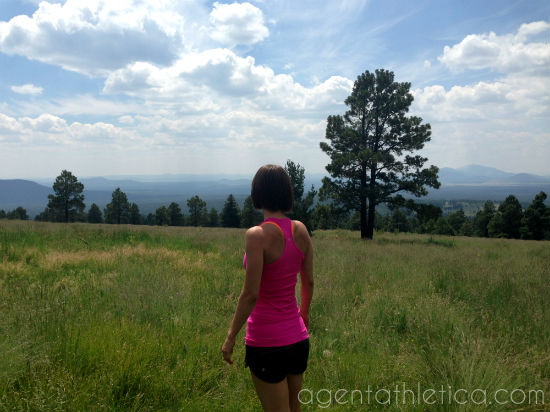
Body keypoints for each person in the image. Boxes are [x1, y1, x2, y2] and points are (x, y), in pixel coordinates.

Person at [222, 164, 314, 412]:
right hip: (297, 339)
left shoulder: (256, 235)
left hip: (266, 343)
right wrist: (303, 315)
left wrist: (231, 337)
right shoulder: (301, 230)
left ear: (258, 194)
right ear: (286, 193)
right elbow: (309, 281)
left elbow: (251, 294)